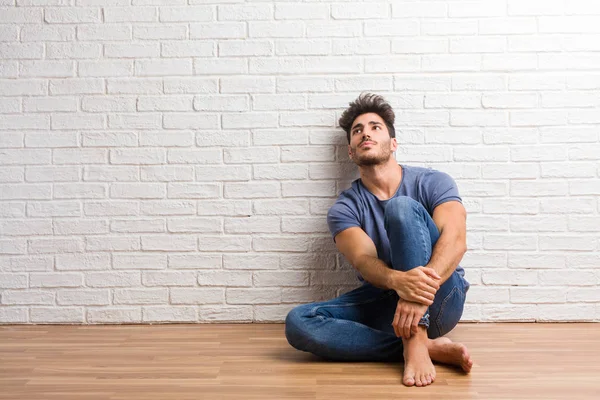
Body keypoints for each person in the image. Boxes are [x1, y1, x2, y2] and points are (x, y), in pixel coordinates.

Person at [284, 93, 474, 387]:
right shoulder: (344, 208)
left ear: (393, 143)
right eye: (357, 130)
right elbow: (364, 261)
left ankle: (416, 339)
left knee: (402, 208)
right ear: (350, 151)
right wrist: (400, 283)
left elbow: (456, 240)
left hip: (440, 297)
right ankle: (420, 348)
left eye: (375, 127)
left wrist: (417, 294)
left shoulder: (433, 181)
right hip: (388, 302)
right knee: (299, 323)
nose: (365, 133)